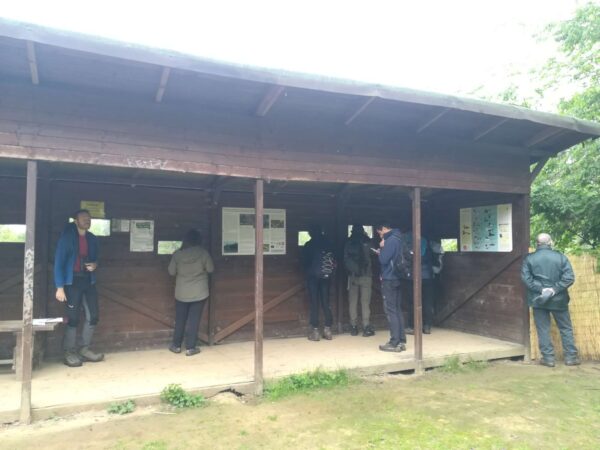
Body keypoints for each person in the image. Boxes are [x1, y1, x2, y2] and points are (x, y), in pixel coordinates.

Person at [521, 233, 579, 367]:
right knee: (565, 328)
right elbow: (569, 278)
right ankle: (571, 358)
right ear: (550, 242)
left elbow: (526, 279)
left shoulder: (529, 259)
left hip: (538, 299)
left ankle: (548, 359)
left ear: (537, 243)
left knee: (543, 329)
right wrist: (554, 289)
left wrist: (541, 290)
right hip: (559, 300)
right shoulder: (560, 257)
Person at [54, 209, 103, 367]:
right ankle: (69, 352)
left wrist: (95, 265)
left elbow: (97, 259)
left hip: (88, 281)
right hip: (72, 282)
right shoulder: (67, 238)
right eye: (83, 218)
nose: (87, 220)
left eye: (89, 218)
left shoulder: (92, 238)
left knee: (93, 316)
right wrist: (59, 287)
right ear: (76, 221)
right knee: (73, 318)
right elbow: (59, 263)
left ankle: (84, 349)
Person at [168, 229, 214, 356]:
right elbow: (210, 269)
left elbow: (171, 272)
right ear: (198, 240)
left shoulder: (177, 255)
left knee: (180, 319)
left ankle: (176, 346)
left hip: (181, 293)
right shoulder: (203, 253)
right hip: (199, 292)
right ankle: (190, 348)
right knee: (194, 320)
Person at [374, 222, 406, 352]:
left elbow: (383, 260)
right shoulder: (399, 238)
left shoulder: (390, 240)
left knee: (391, 310)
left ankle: (394, 342)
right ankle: (401, 341)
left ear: (384, 228)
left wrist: (381, 248)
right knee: (397, 309)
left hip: (389, 278)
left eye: (380, 233)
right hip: (398, 278)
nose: (380, 236)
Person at [302, 225, 334, 341]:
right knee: (326, 303)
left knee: (314, 303)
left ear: (311, 233)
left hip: (312, 277)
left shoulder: (309, 245)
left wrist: (307, 270)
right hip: (326, 277)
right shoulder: (328, 243)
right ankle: (328, 330)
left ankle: (315, 331)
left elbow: (304, 261)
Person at [343, 224, 375, 337]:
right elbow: (374, 254)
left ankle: (353, 327)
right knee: (365, 302)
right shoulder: (368, 242)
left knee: (353, 302)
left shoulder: (348, 242)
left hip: (353, 276)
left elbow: (345, 259)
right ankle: (366, 326)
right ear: (362, 231)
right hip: (366, 275)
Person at [401, 231, 435, 335]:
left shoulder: (407, 242)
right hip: (427, 276)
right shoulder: (425, 242)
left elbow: (407, 259)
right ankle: (427, 326)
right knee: (427, 301)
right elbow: (431, 258)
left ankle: (412, 326)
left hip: (413, 277)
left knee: (412, 302)